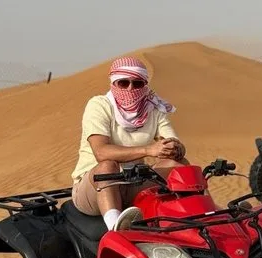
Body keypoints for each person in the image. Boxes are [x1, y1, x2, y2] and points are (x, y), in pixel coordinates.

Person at [70, 56, 189, 231]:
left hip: (133, 183)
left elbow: (174, 143)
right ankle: (116, 227)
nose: (130, 88)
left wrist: (175, 148)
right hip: (95, 186)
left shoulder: (153, 108)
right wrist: (148, 150)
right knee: (108, 166)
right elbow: (101, 152)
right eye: (123, 83)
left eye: (137, 83)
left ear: (145, 85)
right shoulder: (99, 105)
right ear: (114, 83)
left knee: (179, 165)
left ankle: (205, 214)